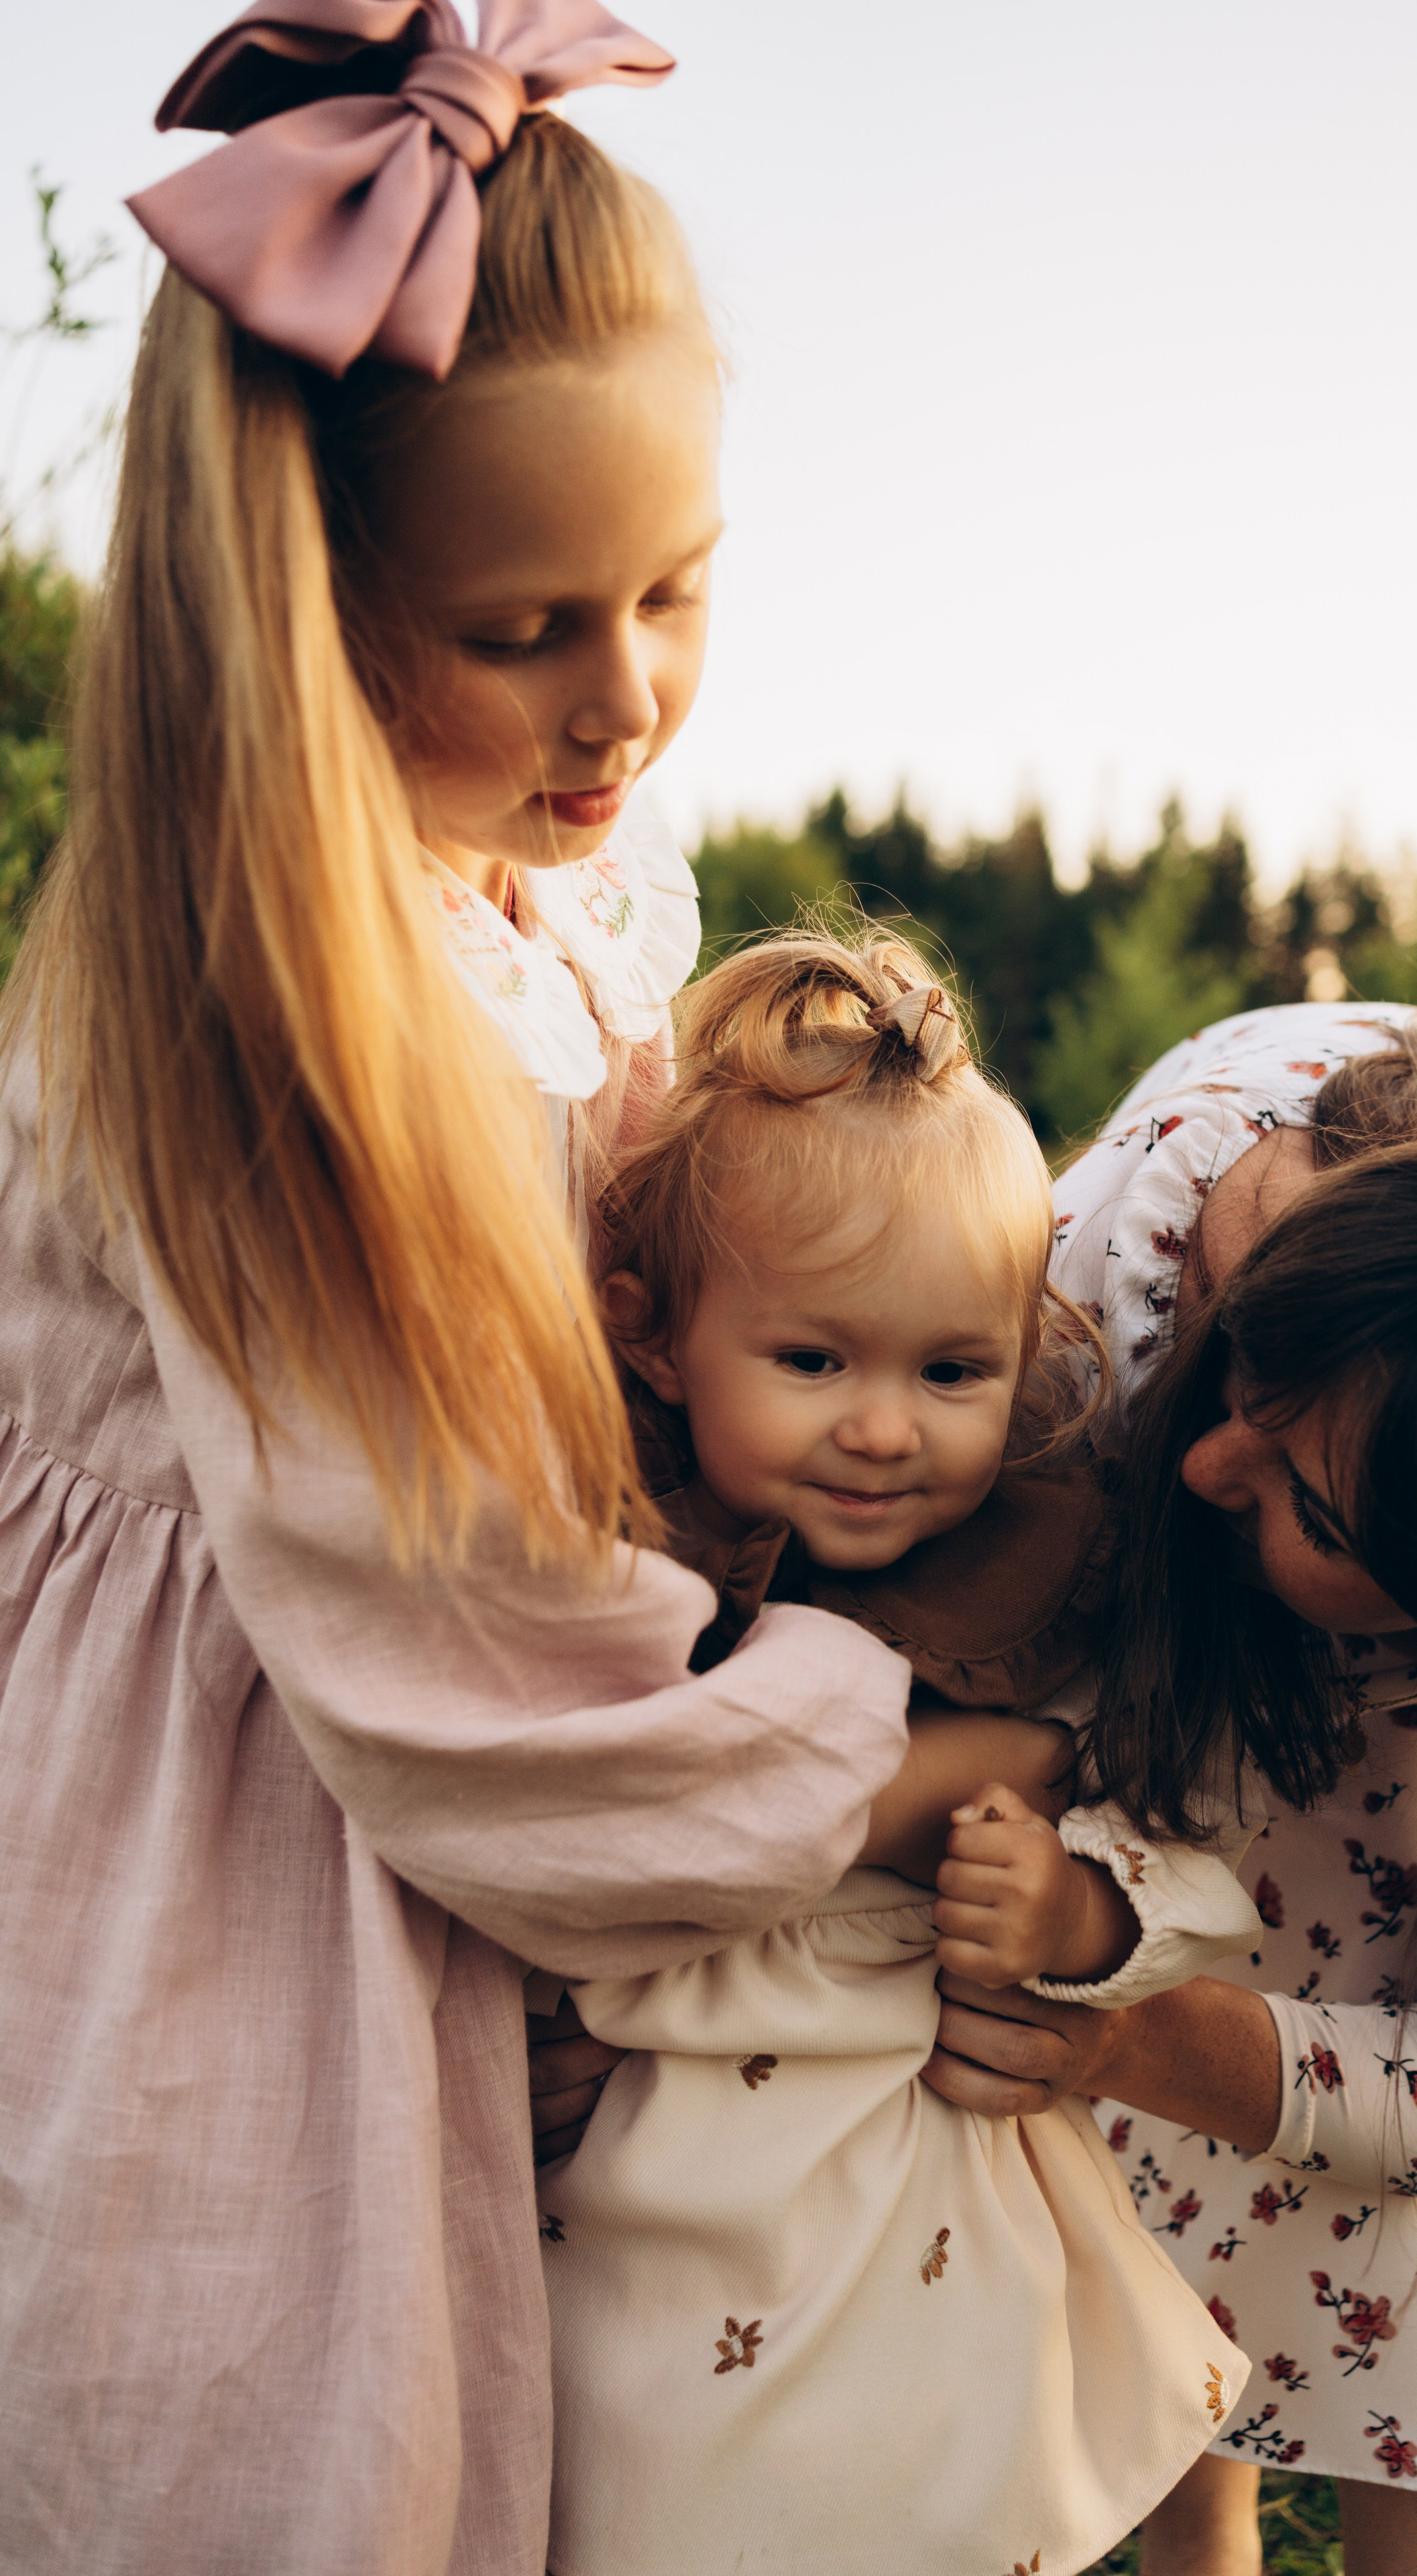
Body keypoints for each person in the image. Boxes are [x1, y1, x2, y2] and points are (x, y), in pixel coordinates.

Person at [0, 15, 919, 2571]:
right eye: (521, 624)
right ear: (297, 617)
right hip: (244, 1918)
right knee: (283, 2467)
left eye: (677, 585)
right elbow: (452, 1681)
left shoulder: (537, 911)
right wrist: (881, 1731)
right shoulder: (264, 1035)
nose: (622, 694)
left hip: (489, 1802)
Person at [927, 1009, 1417, 2573]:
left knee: (1411, 2229)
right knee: (1168, 2266)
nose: (1215, 1467)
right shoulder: (1085, 1333)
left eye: (1314, 1505)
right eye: (1247, 1362)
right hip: (1176, 1721)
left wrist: (1138, 2036)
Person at [530, 930, 1265, 2576]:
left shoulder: (1047, 1590)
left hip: (920, 2197)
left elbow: (1195, 1852)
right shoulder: (603, 1579)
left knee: (927, 2497)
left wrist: (1075, 1911)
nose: (883, 1426)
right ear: (655, 1339)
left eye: (952, 1371)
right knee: (650, 2497)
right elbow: (524, 1827)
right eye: (813, 1362)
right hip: (650, 2190)